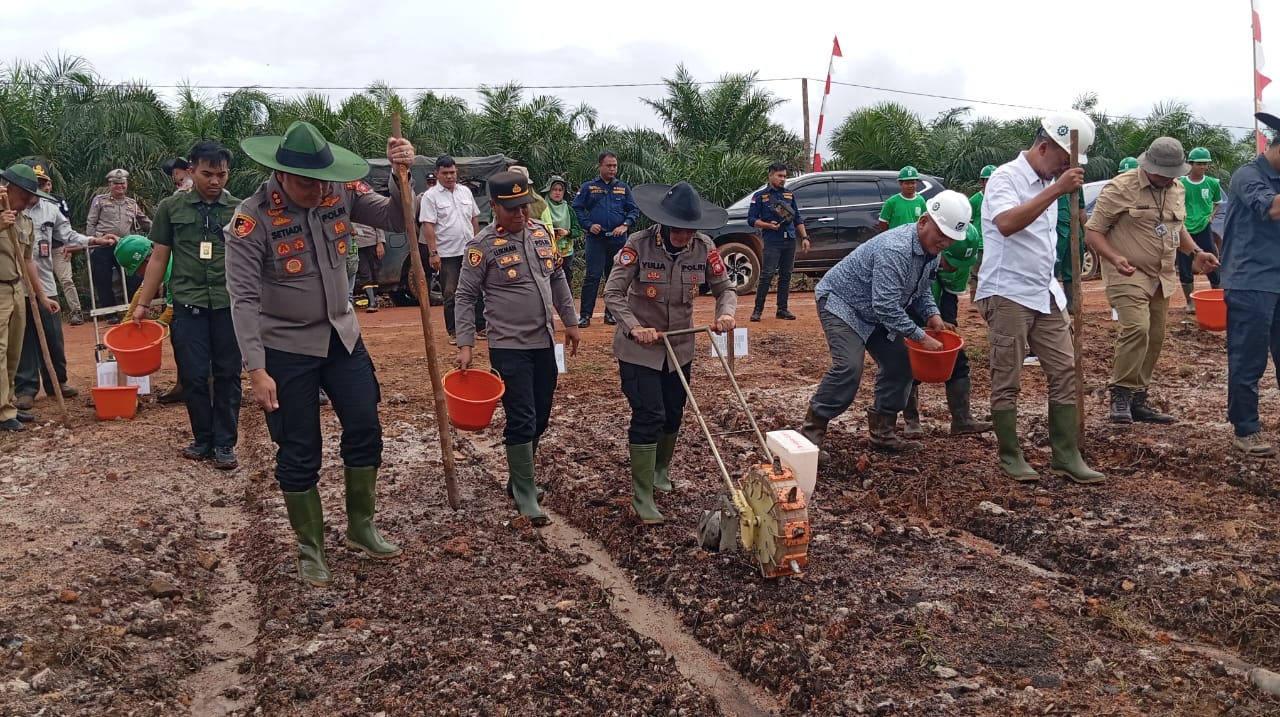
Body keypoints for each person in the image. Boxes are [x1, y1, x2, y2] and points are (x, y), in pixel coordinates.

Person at [225, 121, 415, 586]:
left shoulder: (340, 191)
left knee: (365, 426)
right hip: (285, 347)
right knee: (298, 447)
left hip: (342, 337)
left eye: (323, 181)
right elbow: (243, 300)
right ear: (282, 174)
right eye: (308, 183)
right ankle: (310, 547)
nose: (318, 190)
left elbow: (396, 218)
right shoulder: (251, 220)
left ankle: (361, 528)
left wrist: (401, 175)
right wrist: (256, 370)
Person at [976, 111, 1105, 485]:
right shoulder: (1006, 178)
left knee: (1064, 369)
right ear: (1044, 146)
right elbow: (1006, 223)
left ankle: (1066, 454)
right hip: (1007, 291)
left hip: (1044, 291)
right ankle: (1010, 455)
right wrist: (1057, 190)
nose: (1065, 167)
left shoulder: (1053, 182)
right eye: (1063, 159)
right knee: (1008, 376)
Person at [799, 190, 972, 463]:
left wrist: (932, 314)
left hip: (874, 311)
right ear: (924, 222)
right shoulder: (896, 249)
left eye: (951, 238)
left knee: (901, 364)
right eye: (942, 234)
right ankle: (811, 435)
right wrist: (920, 336)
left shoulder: (931, 252)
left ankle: (882, 433)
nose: (945, 242)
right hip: (843, 303)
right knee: (848, 367)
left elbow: (920, 290)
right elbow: (886, 307)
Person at [604, 182, 737, 524]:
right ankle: (642, 495)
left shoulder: (704, 247)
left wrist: (725, 313)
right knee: (649, 414)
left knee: (673, 413)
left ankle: (660, 470)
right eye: (678, 230)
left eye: (690, 230)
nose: (684, 236)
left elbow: (725, 288)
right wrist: (634, 327)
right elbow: (613, 294)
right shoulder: (637, 245)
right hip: (640, 350)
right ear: (663, 223)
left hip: (679, 346)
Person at [455, 171, 581, 527]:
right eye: (512, 209)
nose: (521, 214)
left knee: (541, 413)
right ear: (494, 206)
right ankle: (525, 493)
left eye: (524, 206)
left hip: (544, 341)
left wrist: (570, 321)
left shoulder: (541, 233)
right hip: (508, 345)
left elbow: (557, 277)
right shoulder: (481, 246)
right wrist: (466, 344)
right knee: (521, 416)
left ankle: (519, 479)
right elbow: (464, 296)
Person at [1086, 137, 1219, 426]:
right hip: (1127, 273)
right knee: (1137, 328)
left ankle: (1138, 398)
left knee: (1155, 336)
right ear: (1149, 167)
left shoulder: (1177, 189)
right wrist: (1114, 257)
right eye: (1164, 174)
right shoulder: (1120, 188)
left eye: (1173, 174)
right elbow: (1093, 231)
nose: (1169, 179)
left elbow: (1177, 228)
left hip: (1162, 275)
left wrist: (1196, 252)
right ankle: (1120, 394)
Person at [131, 141, 243, 469]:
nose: (215, 181)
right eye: (207, 174)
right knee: (193, 376)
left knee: (227, 375)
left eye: (221, 174)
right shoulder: (171, 208)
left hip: (227, 305)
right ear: (192, 171)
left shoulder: (239, 209)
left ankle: (225, 443)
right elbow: (158, 258)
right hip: (188, 304)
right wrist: (143, 303)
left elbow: (251, 257)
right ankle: (203, 438)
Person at [15, 166, 113, 410]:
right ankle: (25, 389)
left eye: (40, 183)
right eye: (33, 183)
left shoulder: (51, 209)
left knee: (53, 337)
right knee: (24, 339)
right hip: (16, 284)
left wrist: (94, 240)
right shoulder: (11, 208)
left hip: (45, 283)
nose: (36, 189)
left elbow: (68, 235)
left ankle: (57, 381)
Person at [1219, 112, 1280, 457]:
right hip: (1251, 281)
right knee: (1249, 359)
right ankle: (1246, 429)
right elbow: (1271, 209)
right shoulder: (1248, 175)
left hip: (1277, 280)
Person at [900, 222, 991, 437]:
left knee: (958, 362)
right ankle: (911, 421)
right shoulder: (915, 258)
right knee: (907, 365)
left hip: (935, 314)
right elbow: (905, 297)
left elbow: (951, 293)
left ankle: (962, 420)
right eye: (951, 262)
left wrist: (948, 321)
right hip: (907, 314)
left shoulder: (962, 263)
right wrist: (918, 330)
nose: (954, 268)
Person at [0, 164, 61, 431]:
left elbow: (28, 261)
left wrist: (42, 296)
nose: (27, 203)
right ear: (9, 189)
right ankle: (3, 413)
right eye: (24, 197)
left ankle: (7, 404)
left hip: (17, 289)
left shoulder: (24, 221)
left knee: (13, 351)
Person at [419, 156, 484, 345]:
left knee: (477, 289)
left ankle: (481, 327)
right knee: (450, 293)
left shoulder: (465, 192)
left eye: (452, 172)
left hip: (469, 251)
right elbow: (428, 225)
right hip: (447, 254)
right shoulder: (430, 196)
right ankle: (455, 331)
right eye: (445, 173)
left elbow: (474, 218)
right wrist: (433, 253)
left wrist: (477, 243)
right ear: (437, 173)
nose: (449, 176)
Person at [573, 152, 638, 327]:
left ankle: (611, 314)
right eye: (609, 165)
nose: (612, 169)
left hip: (618, 240)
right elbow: (577, 208)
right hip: (596, 239)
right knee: (592, 276)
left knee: (615, 277)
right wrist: (588, 225)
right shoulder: (589, 187)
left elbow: (633, 210)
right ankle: (585, 315)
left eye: (615, 166)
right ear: (599, 166)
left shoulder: (623, 188)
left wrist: (625, 225)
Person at [747, 161, 810, 322]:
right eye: (779, 176)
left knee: (786, 275)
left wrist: (804, 237)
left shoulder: (789, 195)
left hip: (789, 239)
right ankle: (757, 311)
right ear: (770, 175)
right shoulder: (760, 196)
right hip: (772, 240)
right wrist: (768, 225)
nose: (783, 179)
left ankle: (782, 309)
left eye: (784, 176)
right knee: (767, 275)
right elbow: (751, 220)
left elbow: (797, 217)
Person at [86, 169, 150, 323]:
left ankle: (134, 309)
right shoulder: (99, 201)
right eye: (116, 183)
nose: (120, 186)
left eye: (123, 183)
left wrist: (160, 232)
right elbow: (91, 223)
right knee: (103, 279)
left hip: (125, 247)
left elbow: (145, 221)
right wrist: (94, 241)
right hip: (103, 246)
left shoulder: (132, 203)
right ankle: (111, 314)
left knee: (133, 276)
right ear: (110, 185)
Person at [31, 166, 85, 325]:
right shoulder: (25, 202)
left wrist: (71, 245)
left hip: (59, 248)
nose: (45, 188)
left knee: (66, 279)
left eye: (47, 184)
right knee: (37, 281)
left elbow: (66, 226)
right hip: (35, 251)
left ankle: (76, 311)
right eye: (40, 184)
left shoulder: (57, 201)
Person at [1177, 147, 1223, 314]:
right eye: (1199, 163)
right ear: (1191, 164)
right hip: (1184, 228)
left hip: (1204, 227)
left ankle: (1217, 295)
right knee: (1184, 263)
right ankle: (1190, 302)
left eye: (1205, 163)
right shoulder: (1180, 183)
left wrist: (1211, 216)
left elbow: (1217, 202)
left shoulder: (1212, 183)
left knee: (1212, 260)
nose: (1202, 166)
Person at [542, 175, 583, 286]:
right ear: (549, 190)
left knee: (566, 279)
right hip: (546, 252)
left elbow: (578, 230)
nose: (557, 193)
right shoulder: (542, 208)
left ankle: (568, 298)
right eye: (554, 189)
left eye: (560, 190)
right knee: (547, 281)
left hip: (566, 253)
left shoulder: (568, 209)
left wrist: (567, 232)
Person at [968, 165, 996, 303]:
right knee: (975, 273)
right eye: (987, 180)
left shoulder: (1001, 198)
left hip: (994, 243)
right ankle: (974, 300)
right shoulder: (974, 200)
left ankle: (991, 300)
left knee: (993, 274)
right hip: (979, 243)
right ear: (982, 182)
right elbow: (968, 222)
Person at [877, 166, 927, 232]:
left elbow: (924, 221)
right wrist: (891, 235)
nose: (910, 186)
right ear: (900, 184)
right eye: (907, 183)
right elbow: (883, 222)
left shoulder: (921, 200)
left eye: (913, 183)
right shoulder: (891, 202)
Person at [352, 222, 385, 313]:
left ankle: (373, 299)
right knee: (364, 273)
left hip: (372, 242)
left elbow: (379, 225)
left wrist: (380, 243)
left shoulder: (370, 212)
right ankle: (372, 302)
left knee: (375, 272)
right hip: (357, 245)